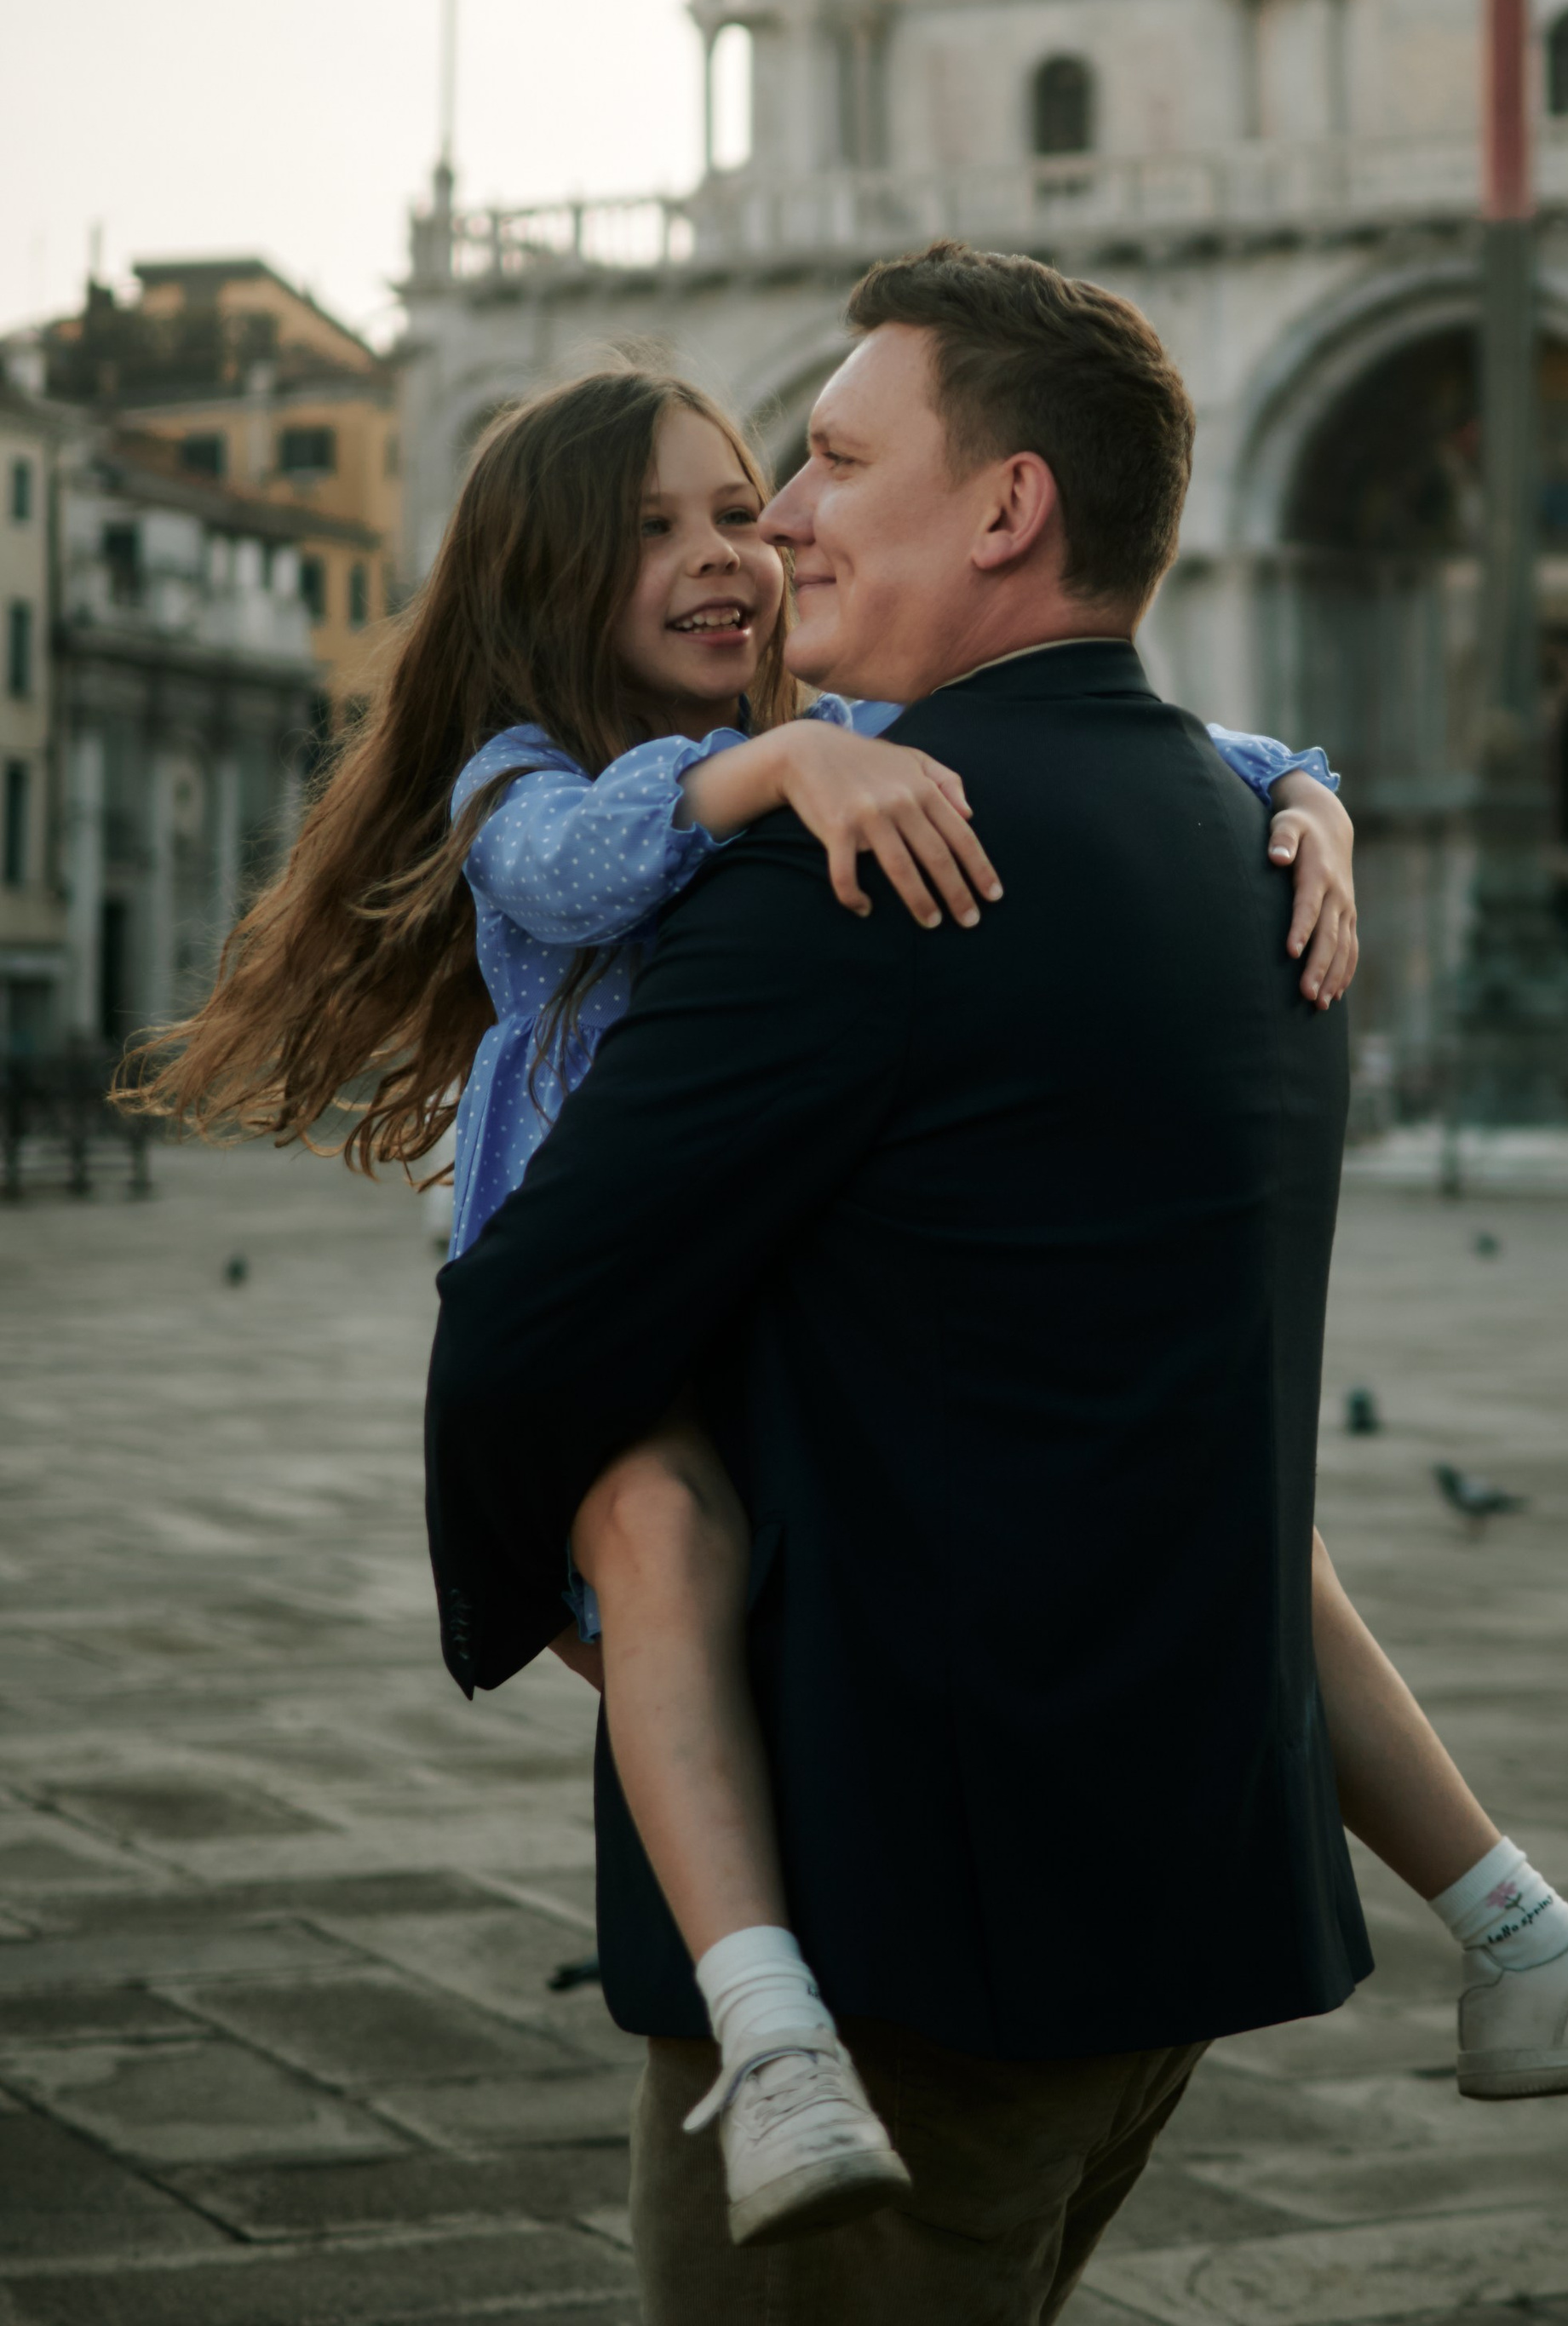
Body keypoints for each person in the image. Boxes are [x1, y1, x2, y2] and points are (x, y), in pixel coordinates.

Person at [422, 250, 1568, 2323]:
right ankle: (1513, 1922)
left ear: (1003, 508)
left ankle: (774, 2001)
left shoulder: (864, 864)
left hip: (903, 1918)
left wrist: (530, 1587)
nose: (774, 524)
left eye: (811, 463)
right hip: (1165, 1887)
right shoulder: (1231, 839)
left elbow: (527, 1334)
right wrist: (1293, 781)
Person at [130, 359, 1356, 2243]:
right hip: (609, 1304)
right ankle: (768, 2027)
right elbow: (577, 860)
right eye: (655, 532)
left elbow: (1163, 743)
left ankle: (1513, 1910)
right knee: (656, 1536)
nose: (738, 546)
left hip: (751, 1321)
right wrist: (772, 765)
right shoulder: (531, 783)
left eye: (743, 504)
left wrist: (1298, 796)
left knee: (1271, 1530)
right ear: (545, 582)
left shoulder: (837, 737)